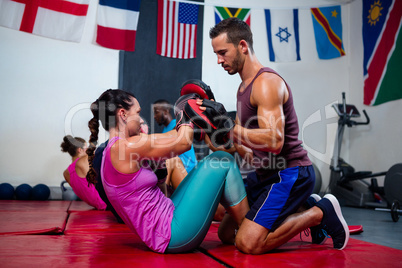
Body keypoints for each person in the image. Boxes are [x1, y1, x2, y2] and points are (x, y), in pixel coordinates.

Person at [205, 17, 349, 254]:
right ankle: (305, 205)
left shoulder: (266, 84)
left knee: (248, 243)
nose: (219, 60)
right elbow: (244, 144)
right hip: (263, 175)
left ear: (242, 46)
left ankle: (319, 212)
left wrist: (228, 126)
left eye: (222, 52)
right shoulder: (243, 87)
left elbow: (274, 141)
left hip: (289, 172)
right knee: (226, 234)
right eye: (216, 54)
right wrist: (212, 134)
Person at [85, 89, 249, 253]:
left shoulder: (115, 148)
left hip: (169, 216)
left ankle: (230, 230)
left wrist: (183, 114)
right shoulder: (124, 147)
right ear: (123, 114)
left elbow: (172, 137)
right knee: (222, 160)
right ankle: (248, 230)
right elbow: (183, 143)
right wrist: (186, 112)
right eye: (138, 112)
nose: (141, 118)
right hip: (171, 235)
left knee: (213, 161)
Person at [153, 99, 197, 191]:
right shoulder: (165, 131)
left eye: (156, 112)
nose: (154, 116)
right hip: (176, 172)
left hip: (188, 171)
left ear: (166, 111)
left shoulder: (177, 126)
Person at [60, 135, 107, 210]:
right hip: (106, 202)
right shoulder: (83, 161)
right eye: (86, 147)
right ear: (80, 150)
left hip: (98, 205)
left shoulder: (66, 173)